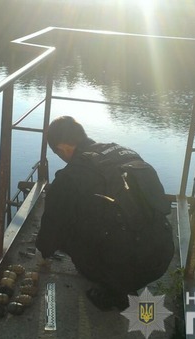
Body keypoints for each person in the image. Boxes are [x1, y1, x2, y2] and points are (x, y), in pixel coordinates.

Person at [36, 115, 174, 311]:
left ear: (62, 148)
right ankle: (124, 273)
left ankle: (114, 292)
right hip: (162, 256)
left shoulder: (69, 177)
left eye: (57, 153)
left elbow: (51, 227)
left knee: (66, 228)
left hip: (132, 270)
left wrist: (43, 251)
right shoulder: (123, 150)